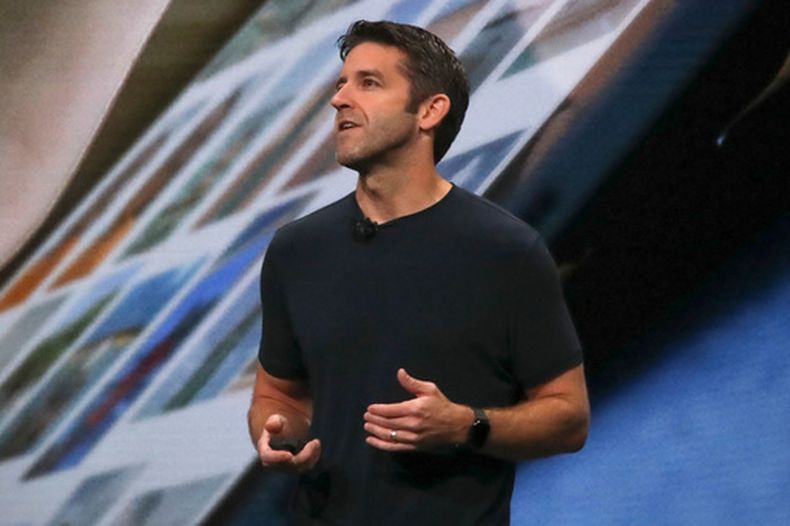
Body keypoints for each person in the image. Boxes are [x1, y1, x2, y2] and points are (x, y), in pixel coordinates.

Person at [248, 20, 590, 525]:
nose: (339, 99)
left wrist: (465, 425)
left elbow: (568, 418)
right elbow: (277, 394)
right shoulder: (296, 250)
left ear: (430, 111)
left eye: (368, 83)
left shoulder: (505, 251)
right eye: (341, 84)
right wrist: (280, 432)